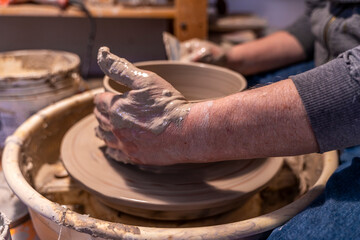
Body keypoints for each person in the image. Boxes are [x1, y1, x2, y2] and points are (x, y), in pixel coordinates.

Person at [95, 0, 360, 238]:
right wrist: (231, 58)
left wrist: (183, 131)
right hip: (341, 64)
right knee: (242, 85)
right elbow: (325, 17)